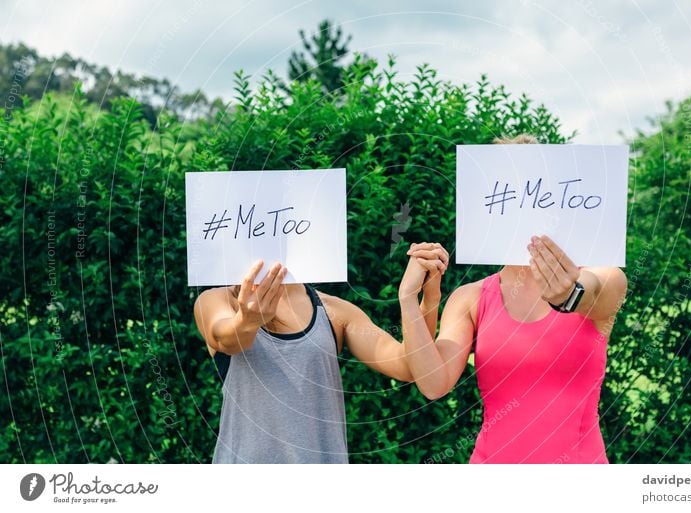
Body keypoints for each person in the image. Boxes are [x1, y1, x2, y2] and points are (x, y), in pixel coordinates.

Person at [399, 135, 628, 464]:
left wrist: (569, 294)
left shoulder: (604, 274)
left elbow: (594, 292)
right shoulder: (470, 298)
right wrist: (409, 299)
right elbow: (434, 383)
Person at [194, 248, 448, 463]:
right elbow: (226, 339)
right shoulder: (216, 300)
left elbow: (408, 365)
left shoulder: (333, 310)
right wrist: (246, 321)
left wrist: (419, 299)